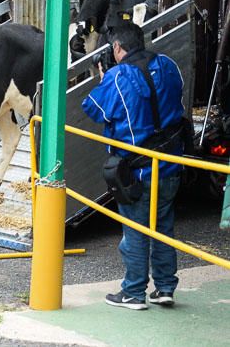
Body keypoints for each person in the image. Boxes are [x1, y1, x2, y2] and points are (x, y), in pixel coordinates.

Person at [82, 22, 184, 310]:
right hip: (171, 165)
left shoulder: (116, 77)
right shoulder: (167, 64)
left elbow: (93, 109)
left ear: (116, 47)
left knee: (136, 232)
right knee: (163, 228)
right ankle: (165, 288)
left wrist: (103, 78)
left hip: (136, 173)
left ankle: (133, 293)